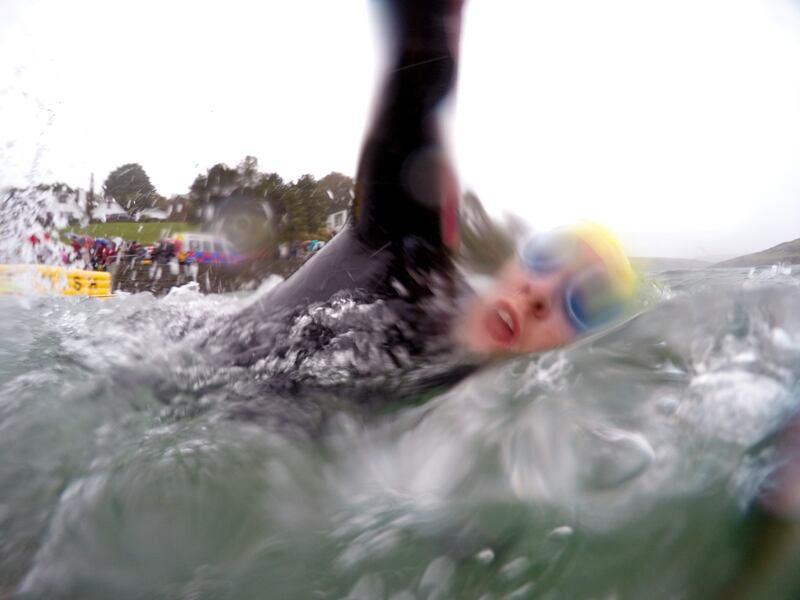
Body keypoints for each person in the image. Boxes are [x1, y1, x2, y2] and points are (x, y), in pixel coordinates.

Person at [223, 0, 636, 387]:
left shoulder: (471, 395)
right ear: (513, 262)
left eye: (583, 300)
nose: (541, 294)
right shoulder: (410, 256)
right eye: (548, 254)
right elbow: (419, 71)